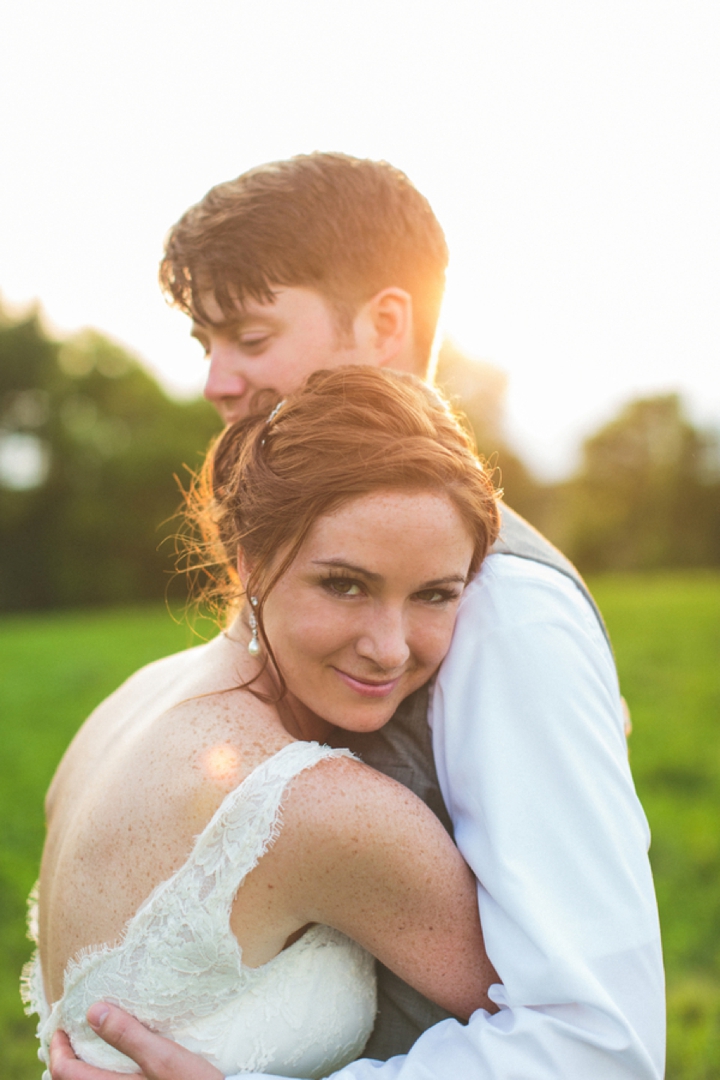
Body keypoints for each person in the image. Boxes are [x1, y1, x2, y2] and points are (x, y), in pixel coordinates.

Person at [48, 153, 665, 1080]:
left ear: (385, 323)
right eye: (202, 344)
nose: (218, 382)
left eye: (250, 336)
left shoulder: (511, 615)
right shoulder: (215, 686)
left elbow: (597, 1043)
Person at [25, 366, 503, 1078]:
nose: (390, 647)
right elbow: (574, 1039)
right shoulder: (322, 808)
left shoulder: (132, 699)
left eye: (435, 594)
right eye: (345, 584)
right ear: (249, 561)